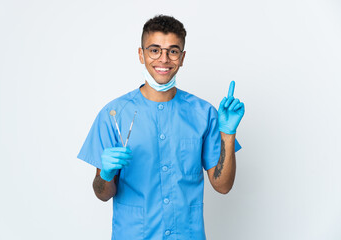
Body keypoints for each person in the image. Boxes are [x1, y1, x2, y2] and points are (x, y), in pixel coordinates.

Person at [77, 15, 245, 240]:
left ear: (182, 57)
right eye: (154, 50)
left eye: (173, 51)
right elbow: (102, 194)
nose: (163, 59)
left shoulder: (203, 113)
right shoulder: (114, 115)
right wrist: (105, 174)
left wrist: (228, 133)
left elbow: (223, 186)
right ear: (141, 54)